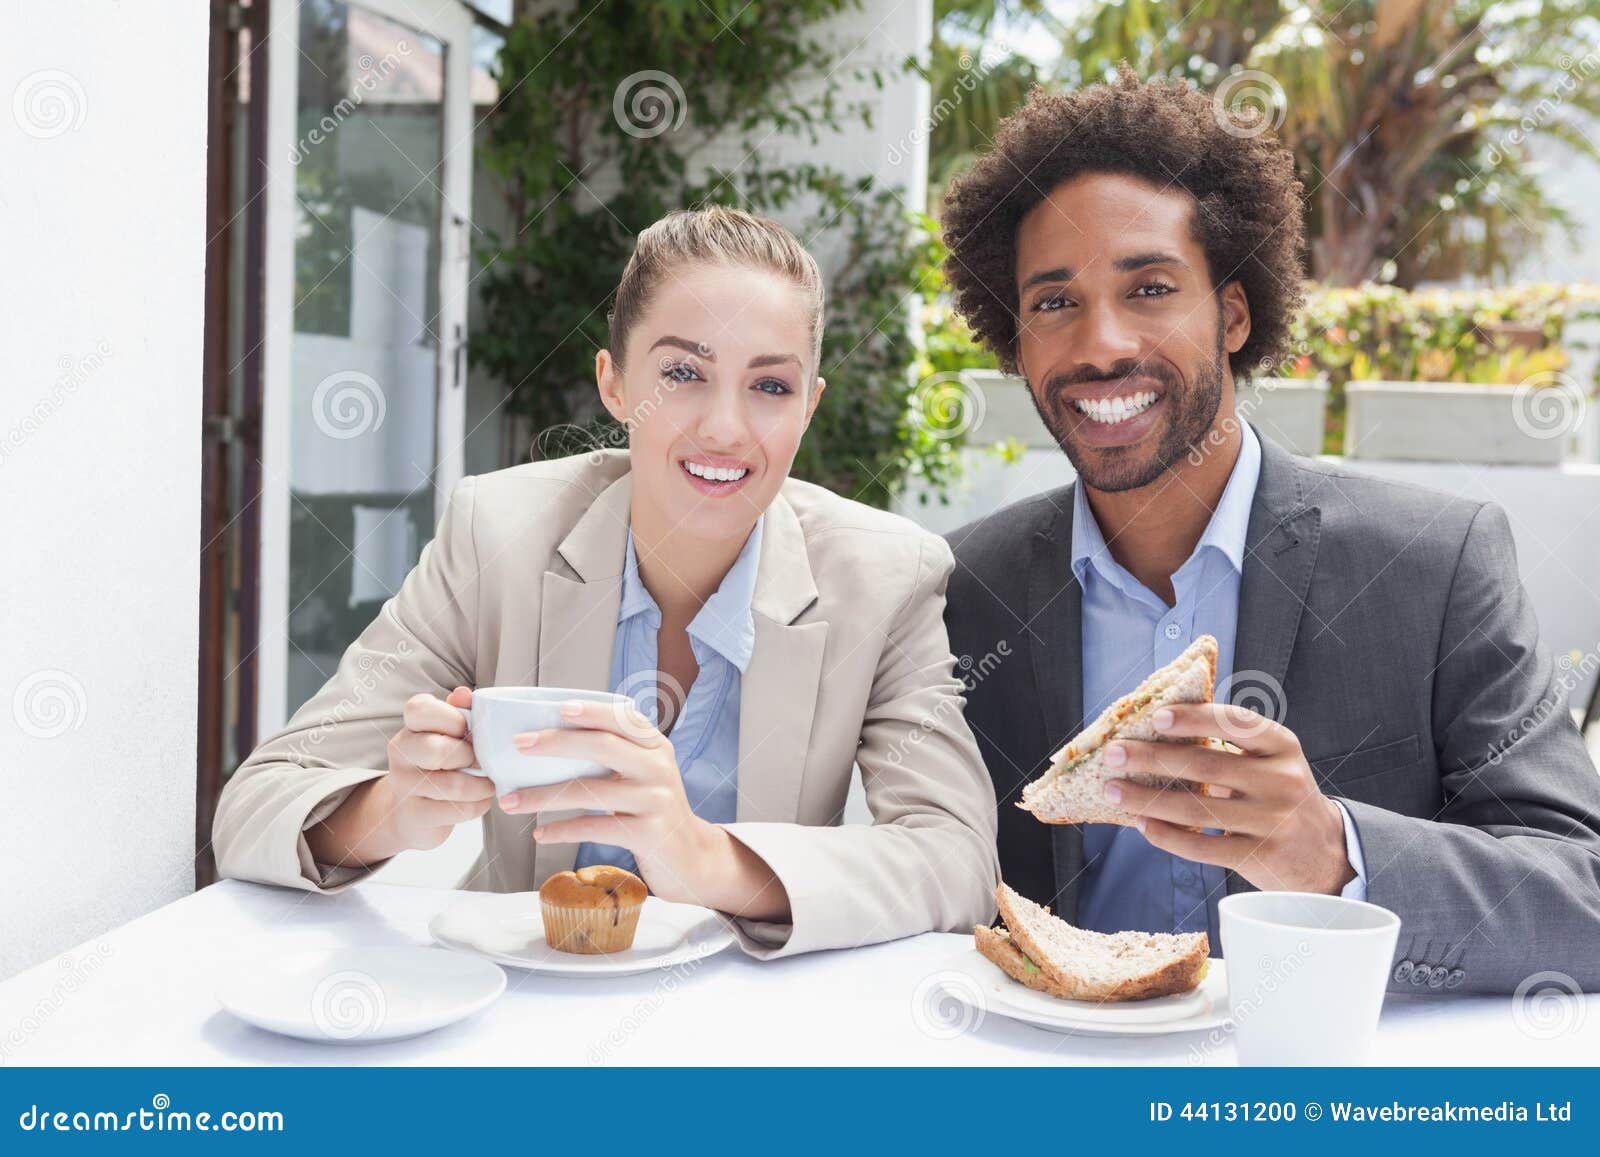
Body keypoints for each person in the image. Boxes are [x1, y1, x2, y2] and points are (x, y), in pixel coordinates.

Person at [938, 67, 1600, 994]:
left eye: (1152, 287)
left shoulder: (1434, 566)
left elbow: (1582, 902)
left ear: (1236, 313)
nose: (1101, 344)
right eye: (1054, 303)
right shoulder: (964, 588)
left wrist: (1332, 848)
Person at [214, 205, 999, 959]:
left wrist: (704, 858)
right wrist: (391, 809)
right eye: (684, 372)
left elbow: (959, 863)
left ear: (808, 408)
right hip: (518, 1016)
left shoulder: (886, 576)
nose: (725, 427)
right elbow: (254, 806)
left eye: (770, 386)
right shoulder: (499, 535)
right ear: (615, 383)